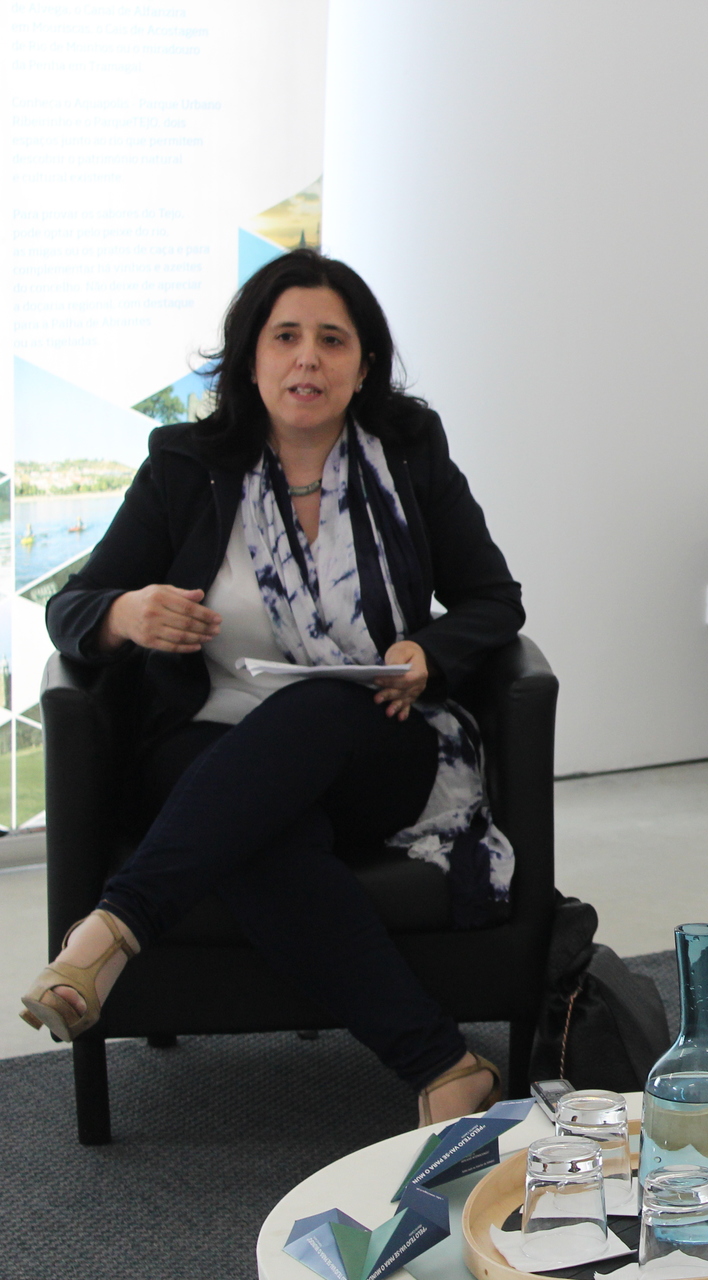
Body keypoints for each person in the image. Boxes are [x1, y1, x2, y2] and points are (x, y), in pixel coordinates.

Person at [18, 249, 526, 1128]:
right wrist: (128, 613)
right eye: (285, 337)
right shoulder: (184, 465)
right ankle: (445, 1066)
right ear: (250, 358)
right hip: (208, 742)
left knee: (319, 702)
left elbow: (494, 600)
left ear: (364, 364)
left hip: (373, 738)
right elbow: (72, 608)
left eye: (333, 340)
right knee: (263, 831)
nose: (307, 359)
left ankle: (109, 932)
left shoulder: (408, 457)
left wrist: (428, 652)